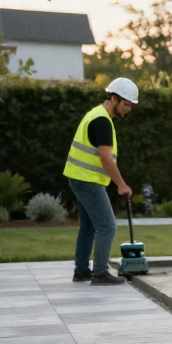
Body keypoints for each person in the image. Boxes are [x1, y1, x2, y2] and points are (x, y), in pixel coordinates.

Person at [64, 77, 138, 286]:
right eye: (126, 104)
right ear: (114, 98)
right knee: (107, 226)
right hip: (88, 180)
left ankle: (81, 270)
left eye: (131, 106)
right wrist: (121, 184)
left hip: (80, 177)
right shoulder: (101, 121)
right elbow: (106, 159)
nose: (128, 109)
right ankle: (100, 272)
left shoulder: (95, 115)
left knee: (88, 227)